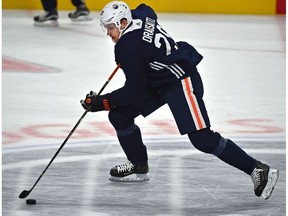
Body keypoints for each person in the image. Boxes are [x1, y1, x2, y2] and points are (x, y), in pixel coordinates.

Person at [80, 1, 279, 199]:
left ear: (123, 23)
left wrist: (101, 102)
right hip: (158, 79)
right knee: (120, 116)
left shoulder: (127, 48)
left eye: (110, 28)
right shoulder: (139, 15)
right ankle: (139, 165)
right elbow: (147, 8)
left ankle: (257, 169)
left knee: (202, 138)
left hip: (181, 80)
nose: (108, 33)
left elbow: (135, 92)